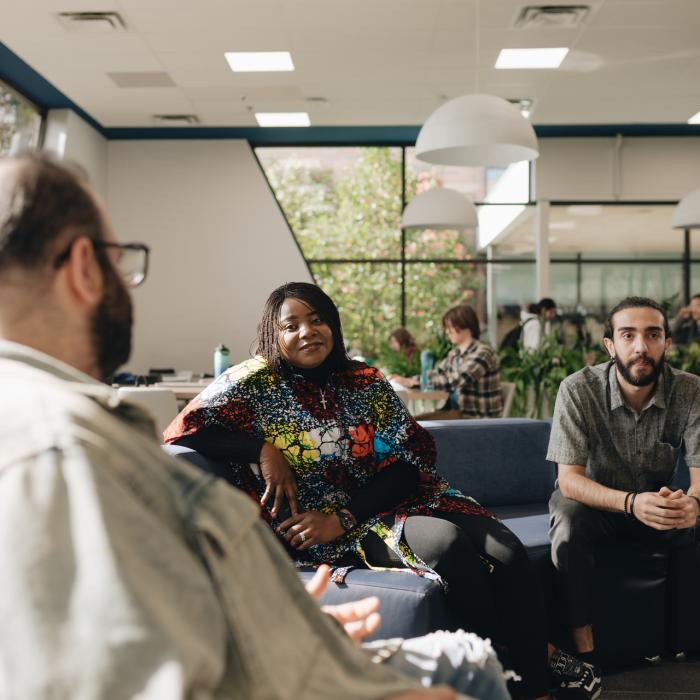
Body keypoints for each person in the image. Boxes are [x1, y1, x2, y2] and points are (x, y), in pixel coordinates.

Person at [0, 152, 480, 700]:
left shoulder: (55, 434)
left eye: (318, 320)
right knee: (468, 678)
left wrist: (282, 639)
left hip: (303, 649)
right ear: (86, 266)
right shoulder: (67, 453)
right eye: (121, 259)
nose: (127, 281)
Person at [165, 283, 599, 700]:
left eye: (316, 320)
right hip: (324, 531)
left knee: (507, 550)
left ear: (332, 325)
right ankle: (525, 660)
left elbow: (408, 465)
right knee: (447, 546)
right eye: (290, 325)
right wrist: (261, 449)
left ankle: (535, 689)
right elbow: (183, 430)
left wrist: (344, 517)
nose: (306, 332)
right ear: (272, 334)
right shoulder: (254, 383)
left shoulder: (364, 381)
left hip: (390, 501)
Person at [547, 296, 700, 692]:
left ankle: (685, 641)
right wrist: (630, 502)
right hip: (594, 502)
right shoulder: (577, 389)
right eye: (628, 335)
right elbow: (569, 480)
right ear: (610, 344)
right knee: (568, 519)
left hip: (657, 503)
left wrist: (692, 504)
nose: (641, 347)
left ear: (667, 342)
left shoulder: (690, 390)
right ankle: (585, 653)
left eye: (652, 335)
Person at [392, 304, 502, 420]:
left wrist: (410, 382)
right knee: (410, 423)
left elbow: (458, 379)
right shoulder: (455, 354)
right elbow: (438, 374)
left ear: (466, 325)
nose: (447, 332)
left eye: (450, 327)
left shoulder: (483, 352)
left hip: (475, 419)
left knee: (414, 426)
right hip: (457, 413)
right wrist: (410, 381)